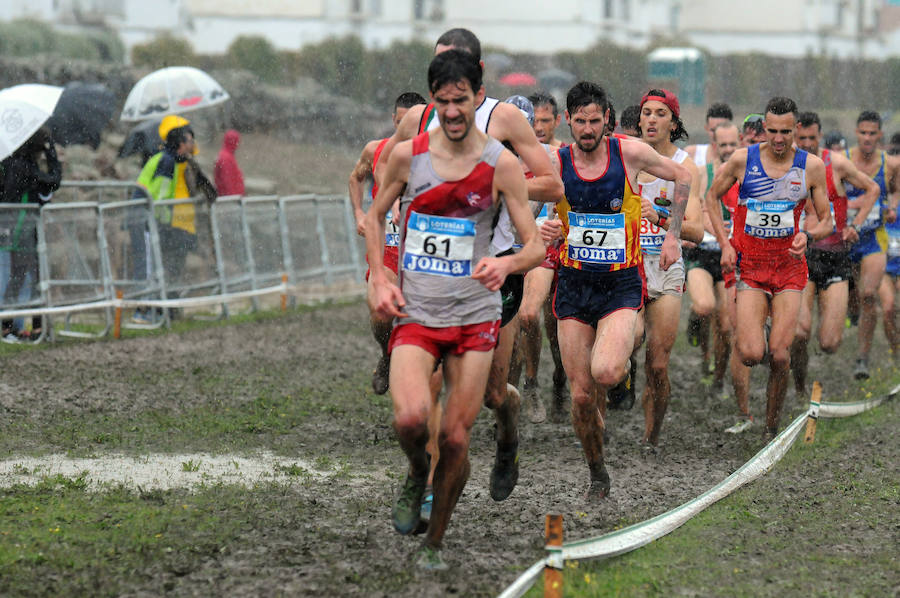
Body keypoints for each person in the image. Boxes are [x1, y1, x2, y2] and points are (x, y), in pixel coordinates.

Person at [365, 49, 543, 570]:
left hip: (474, 318)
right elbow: (376, 217)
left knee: (457, 435)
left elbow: (533, 246)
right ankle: (416, 471)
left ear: (476, 93)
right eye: (442, 102)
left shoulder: (501, 164)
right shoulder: (407, 156)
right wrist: (380, 275)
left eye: (460, 101)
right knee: (411, 420)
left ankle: (435, 543)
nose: (452, 112)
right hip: (417, 314)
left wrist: (506, 267)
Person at [543, 81, 692, 497]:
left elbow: (682, 176)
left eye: (595, 121)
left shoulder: (627, 153)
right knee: (581, 397)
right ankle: (597, 471)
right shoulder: (555, 162)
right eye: (580, 122)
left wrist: (672, 234)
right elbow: (521, 196)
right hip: (573, 287)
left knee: (605, 370)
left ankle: (623, 370)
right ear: (567, 121)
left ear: (607, 119)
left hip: (620, 285)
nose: (587, 129)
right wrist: (541, 228)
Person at [706, 97, 832, 441]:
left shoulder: (811, 166)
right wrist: (726, 243)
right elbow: (711, 198)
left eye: (786, 132)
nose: (778, 139)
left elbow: (827, 221)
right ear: (764, 128)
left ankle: (771, 427)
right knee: (750, 353)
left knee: (779, 355)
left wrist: (807, 234)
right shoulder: (743, 160)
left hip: (790, 269)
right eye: (772, 131)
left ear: (797, 130)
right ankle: (752, 330)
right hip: (752, 266)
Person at [790, 111, 879, 397]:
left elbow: (873, 188)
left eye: (811, 138)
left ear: (820, 136)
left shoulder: (835, 163)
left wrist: (855, 224)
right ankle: (800, 386)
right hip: (801, 257)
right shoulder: (785, 163)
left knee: (829, 343)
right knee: (801, 332)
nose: (806, 143)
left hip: (835, 257)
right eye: (800, 138)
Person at [634, 88, 704, 446]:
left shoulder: (684, 167)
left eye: (660, 113)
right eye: (646, 112)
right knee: (626, 343)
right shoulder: (626, 157)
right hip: (627, 266)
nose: (651, 119)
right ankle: (622, 375)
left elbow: (696, 228)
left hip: (666, 265)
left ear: (673, 123)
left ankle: (651, 437)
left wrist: (660, 217)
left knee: (658, 365)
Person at [348, 91, 428, 394]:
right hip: (387, 250)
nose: (404, 130)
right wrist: (358, 211)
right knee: (381, 313)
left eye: (410, 124)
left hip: (422, 251)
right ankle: (386, 354)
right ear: (394, 121)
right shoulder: (376, 150)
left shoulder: (435, 154)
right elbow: (355, 177)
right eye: (399, 123)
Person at [512, 92, 568, 423]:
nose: (535, 128)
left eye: (537, 121)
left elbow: (571, 197)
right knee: (511, 324)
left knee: (535, 317)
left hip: (545, 249)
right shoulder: (492, 155)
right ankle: (517, 388)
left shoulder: (556, 156)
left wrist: (562, 224)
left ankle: (547, 380)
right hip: (504, 249)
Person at [685, 121, 740, 394]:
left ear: (739, 143)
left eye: (733, 144)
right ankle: (695, 324)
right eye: (723, 145)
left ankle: (719, 376)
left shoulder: (747, 174)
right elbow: (696, 207)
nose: (729, 150)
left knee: (727, 324)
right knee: (705, 306)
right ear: (715, 145)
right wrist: (714, 227)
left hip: (730, 256)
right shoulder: (704, 173)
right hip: (703, 252)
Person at [844, 110, 900, 379]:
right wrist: (850, 205)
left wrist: (891, 206)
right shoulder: (843, 161)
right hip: (845, 238)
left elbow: (895, 188)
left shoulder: (889, 163)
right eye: (863, 133)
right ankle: (850, 312)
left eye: (872, 133)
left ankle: (862, 358)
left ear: (879, 135)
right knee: (853, 296)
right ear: (856, 133)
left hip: (873, 238)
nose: (867, 138)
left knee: (868, 295)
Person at [136, 116, 214, 290]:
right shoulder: (168, 162)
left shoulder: (183, 162)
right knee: (167, 269)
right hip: (169, 224)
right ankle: (161, 308)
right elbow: (160, 195)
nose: (193, 142)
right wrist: (161, 221)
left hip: (178, 224)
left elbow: (208, 189)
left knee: (173, 269)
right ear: (180, 142)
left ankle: (169, 306)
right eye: (189, 138)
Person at [0, 126, 61, 342]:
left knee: (19, 277)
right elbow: (54, 181)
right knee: (31, 278)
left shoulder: (8, 163)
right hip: (22, 230)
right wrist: (51, 154)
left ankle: (15, 327)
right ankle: (25, 327)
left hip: (14, 228)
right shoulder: (24, 167)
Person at [685, 102, 733, 169]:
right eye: (713, 130)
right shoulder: (692, 153)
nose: (717, 135)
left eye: (722, 130)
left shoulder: (739, 157)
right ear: (706, 128)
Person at [214, 129, 245, 197]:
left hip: (229, 198)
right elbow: (228, 182)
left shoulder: (226, 155)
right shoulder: (226, 158)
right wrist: (233, 199)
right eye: (237, 141)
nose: (238, 144)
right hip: (230, 200)